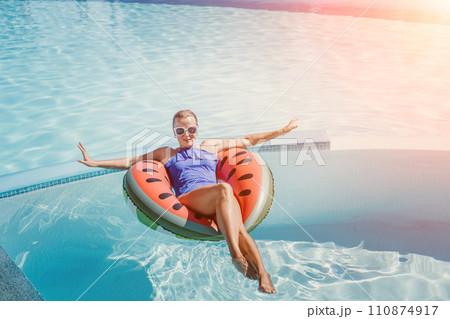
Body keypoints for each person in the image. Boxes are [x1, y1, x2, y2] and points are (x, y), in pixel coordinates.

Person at [78, 110, 298, 294]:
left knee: (238, 224)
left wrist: (281, 131)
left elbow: (248, 140)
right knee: (224, 189)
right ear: (174, 133)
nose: (187, 135)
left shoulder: (210, 146)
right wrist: (96, 163)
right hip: (190, 199)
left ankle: (263, 273)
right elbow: (131, 161)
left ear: (197, 129)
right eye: (180, 131)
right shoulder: (166, 153)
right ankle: (235, 254)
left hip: (217, 198)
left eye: (191, 129)